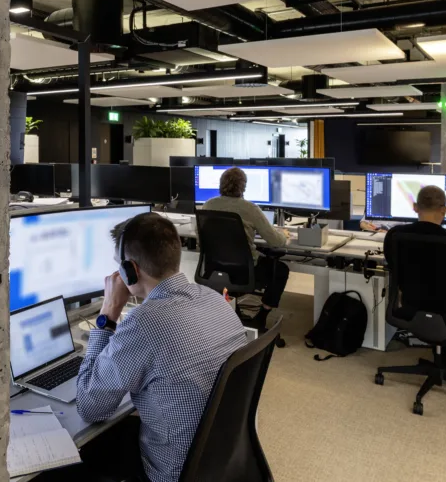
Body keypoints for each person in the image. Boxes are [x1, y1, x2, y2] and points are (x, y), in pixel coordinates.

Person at [57, 212, 248, 482]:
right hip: (221, 459)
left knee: (76, 454)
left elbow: (91, 407)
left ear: (130, 270)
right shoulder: (215, 300)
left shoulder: (144, 324)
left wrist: (109, 312)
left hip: (172, 471)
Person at [384, 184, 446, 368]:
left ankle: (442, 351)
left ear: (415, 207)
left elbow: (392, 264)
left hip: (411, 305)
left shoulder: (395, 235)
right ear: (445, 210)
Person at [201, 166, 290, 329]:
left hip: (215, 270)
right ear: (243, 187)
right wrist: (284, 234)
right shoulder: (250, 208)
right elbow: (276, 242)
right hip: (246, 272)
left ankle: (231, 313)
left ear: (221, 185)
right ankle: (261, 316)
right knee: (281, 269)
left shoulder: (207, 205)